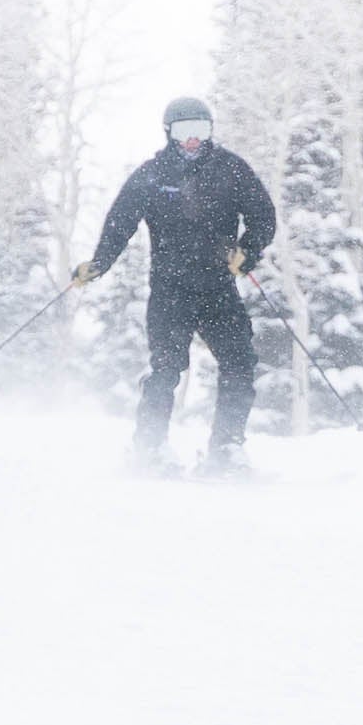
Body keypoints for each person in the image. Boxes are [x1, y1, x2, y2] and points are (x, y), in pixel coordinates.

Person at [81, 95, 278, 472]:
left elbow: (263, 216)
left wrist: (248, 252)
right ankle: (149, 448)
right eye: (185, 131)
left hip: (218, 290)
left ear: (210, 131)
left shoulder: (231, 170)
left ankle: (227, 450)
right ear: (169, 133)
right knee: (166, 368)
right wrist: (100, 263)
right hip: (170, 291)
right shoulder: (153, 174)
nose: (193, 140)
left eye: (200, 130)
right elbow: (120, 221)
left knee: (240, 363)